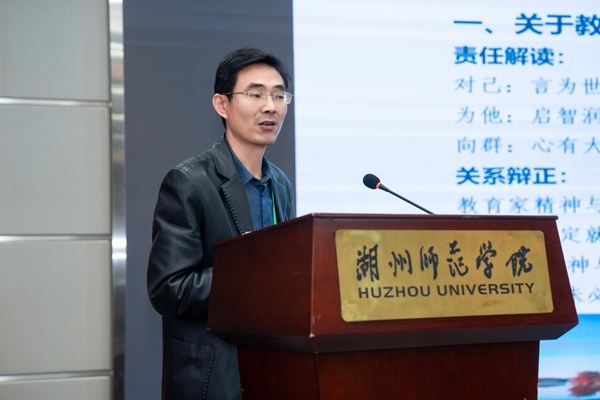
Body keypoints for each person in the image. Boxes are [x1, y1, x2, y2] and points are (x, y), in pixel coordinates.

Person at [147, 47, 296, 400]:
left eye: (279, 96)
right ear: (222, 104)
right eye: (256, 94)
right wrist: (255, 278)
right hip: (213, 379)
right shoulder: (189, 182)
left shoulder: (281, 184)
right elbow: (169, 289)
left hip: (271, 372)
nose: (271, 107)